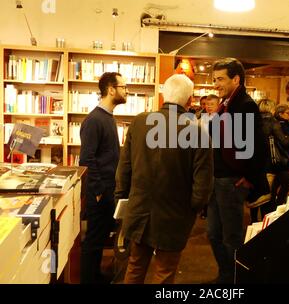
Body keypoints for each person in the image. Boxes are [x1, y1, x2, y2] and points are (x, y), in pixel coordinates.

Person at [115, 74, 213, 284]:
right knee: (165, 273)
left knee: (134, 267)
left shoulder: (140, 122)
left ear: (163, 96)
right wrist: (193, 209)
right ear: (189, 101)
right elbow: (202, 184)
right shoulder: (198, 133)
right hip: (175, 215)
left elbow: (124, 168)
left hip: (139, 209)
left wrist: (122, 200)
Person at [207, 58, 268, 283]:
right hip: (218, 180)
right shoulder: (227, 104)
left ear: (236, 79)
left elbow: (257, 146)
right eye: (214, 79)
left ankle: (236, 279)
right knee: (213, 233)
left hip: (231, 182)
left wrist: (248, 178)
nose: (216, 84)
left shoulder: (244, 105)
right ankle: (226, 275)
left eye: (220, 79)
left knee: (231, 237)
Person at [79, 72, 128, 284]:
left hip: (108, 190)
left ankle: (96, 276)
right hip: (100, 192)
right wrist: (98, 191)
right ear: (111, 89)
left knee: (99, 239)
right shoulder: (94, 120)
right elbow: (86, 158)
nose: (126, 91)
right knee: (93, 241)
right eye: (123, 87)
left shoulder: (108, 117)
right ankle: (88, 280)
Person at [248, 99, 289, 222]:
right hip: (268, 162)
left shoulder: (252, 121)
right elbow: (284, 142)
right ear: (272, 109)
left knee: (255, 193)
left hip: (253, 162)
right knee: (268, 194)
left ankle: (253, 220)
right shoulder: (273, 122)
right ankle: (265, 222)